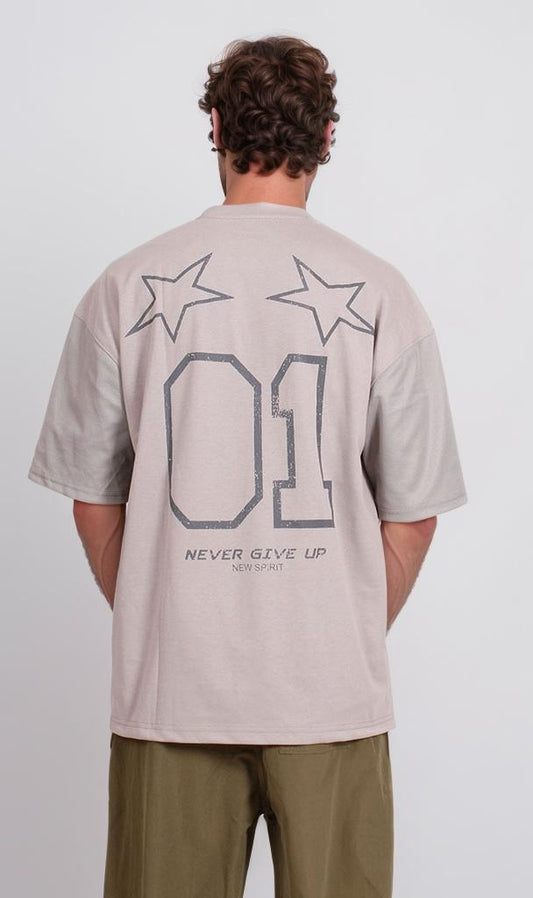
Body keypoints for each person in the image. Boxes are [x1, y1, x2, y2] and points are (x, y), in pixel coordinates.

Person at [27, 34, 468, 898]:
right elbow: (412, 514)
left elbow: (91, 499)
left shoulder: (123, 285)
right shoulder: (382, 291)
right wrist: (335, 622)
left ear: (217, 128)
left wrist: (164, 606)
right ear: (327, 136)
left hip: (171, 694)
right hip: (330, 698)